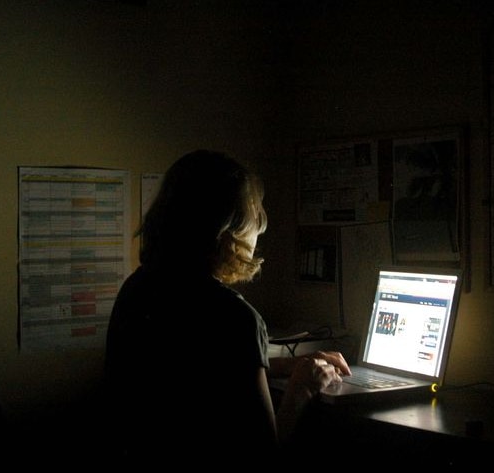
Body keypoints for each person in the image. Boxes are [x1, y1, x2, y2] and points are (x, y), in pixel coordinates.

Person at [104, 149, 351, 460]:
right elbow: (263, 453)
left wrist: (281, 365)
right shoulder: (235, 317)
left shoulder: (138, 288)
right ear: (228, 233)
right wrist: (302, 388)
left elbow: (192, 373)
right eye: (254, 222)